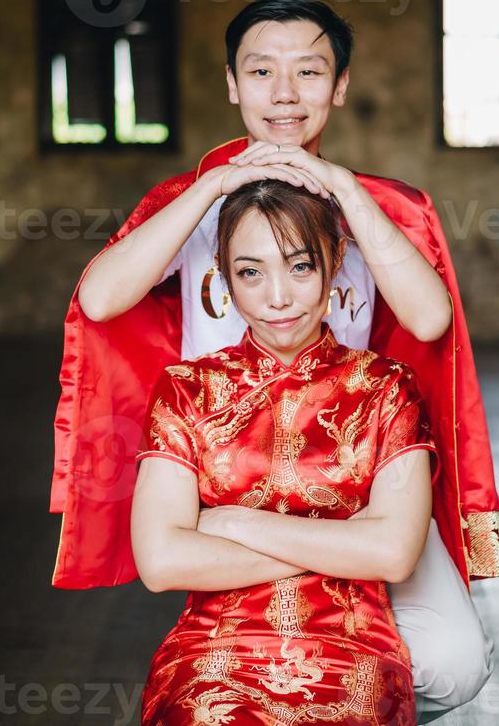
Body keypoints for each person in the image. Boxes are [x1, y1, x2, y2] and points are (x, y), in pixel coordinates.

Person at [49, 0, 499, 722]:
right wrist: (213, 185)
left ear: (341, 85)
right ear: (232, 83)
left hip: (356, 476)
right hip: (229, 474)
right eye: (262, 71)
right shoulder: (191, 207)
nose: (286, 94)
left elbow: (428, 318)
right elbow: (102, 301)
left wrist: (349, 194)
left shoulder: (380, 209)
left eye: (310, 72)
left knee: (452, 665)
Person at [131, 178, 441, 725]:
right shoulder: (186, 389)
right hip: (213, 651)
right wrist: (348, 541)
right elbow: (160, 563)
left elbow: (393, 555)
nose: (277, 296)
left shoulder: (387, 387)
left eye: (300, 266)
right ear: (224, 277)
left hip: (351, 649)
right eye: (250, 272)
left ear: (336, 259)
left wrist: (226, 523)